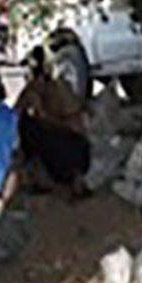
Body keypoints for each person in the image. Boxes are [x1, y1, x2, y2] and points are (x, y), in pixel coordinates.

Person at [14, 45, 91, 197]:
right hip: (71, 142)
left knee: (32, 129)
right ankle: (47, 178)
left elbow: (71, 121)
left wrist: (40, 112)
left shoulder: (48, 89)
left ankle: (40, 179)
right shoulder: (47, 86)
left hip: (68, 144)